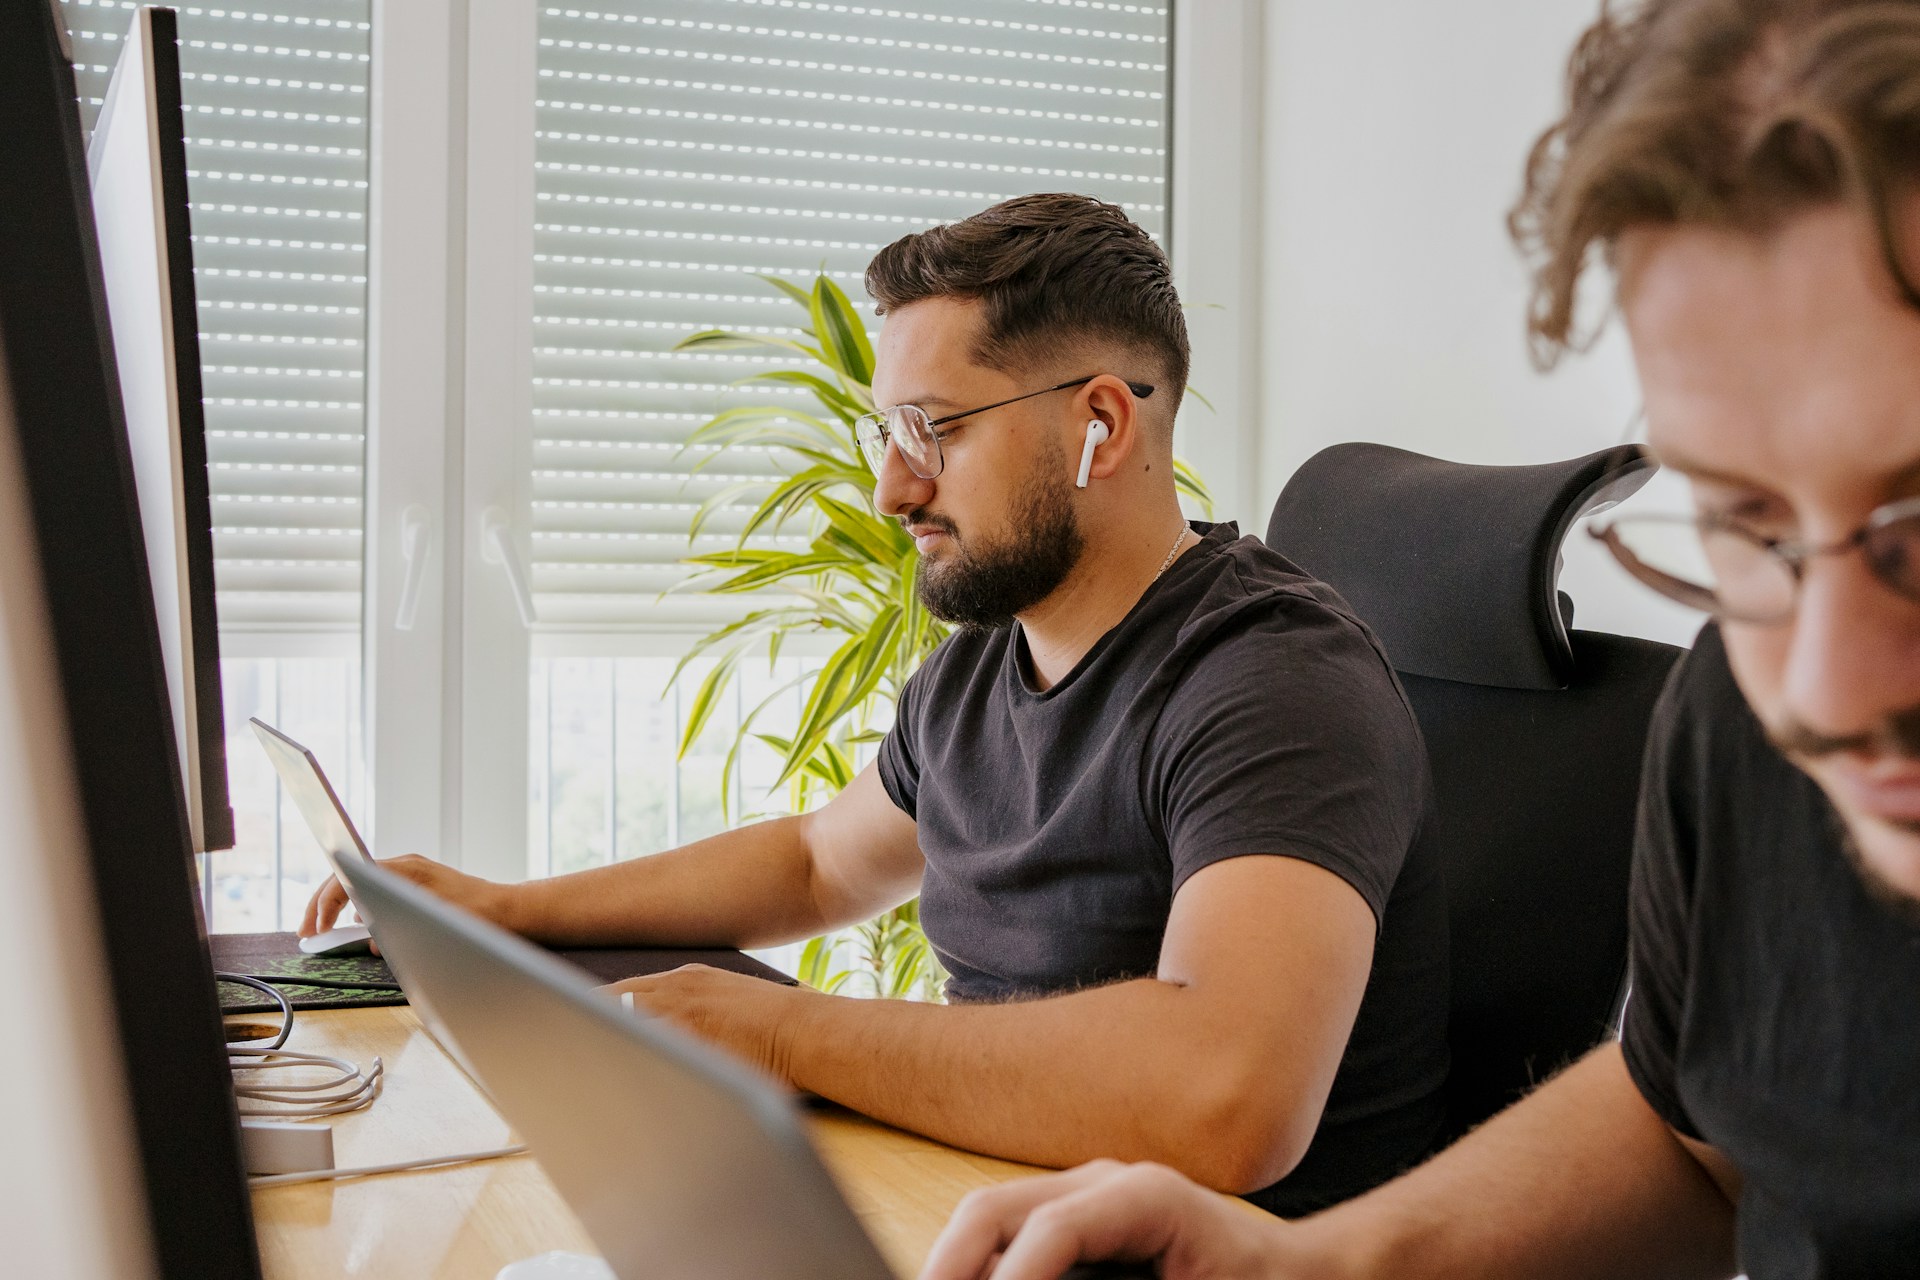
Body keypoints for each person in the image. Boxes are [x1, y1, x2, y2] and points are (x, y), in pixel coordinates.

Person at [917, 3, 1920, 1278]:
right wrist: (1313, 1264)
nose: (1825, 685)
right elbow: (1693, 1128)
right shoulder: (1745, 711)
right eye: (1744, 517)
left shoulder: (1260, 670)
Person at [304, 193, 1452, 1214]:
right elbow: (814, 861)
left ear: (1100, 424)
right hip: (978, 1205)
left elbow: (1226, 1095)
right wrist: (500, 908)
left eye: (932, 430)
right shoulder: (975, 669)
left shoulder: (1274, 679)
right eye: (886, 431)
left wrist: (782, 1029)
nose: (891, 487)